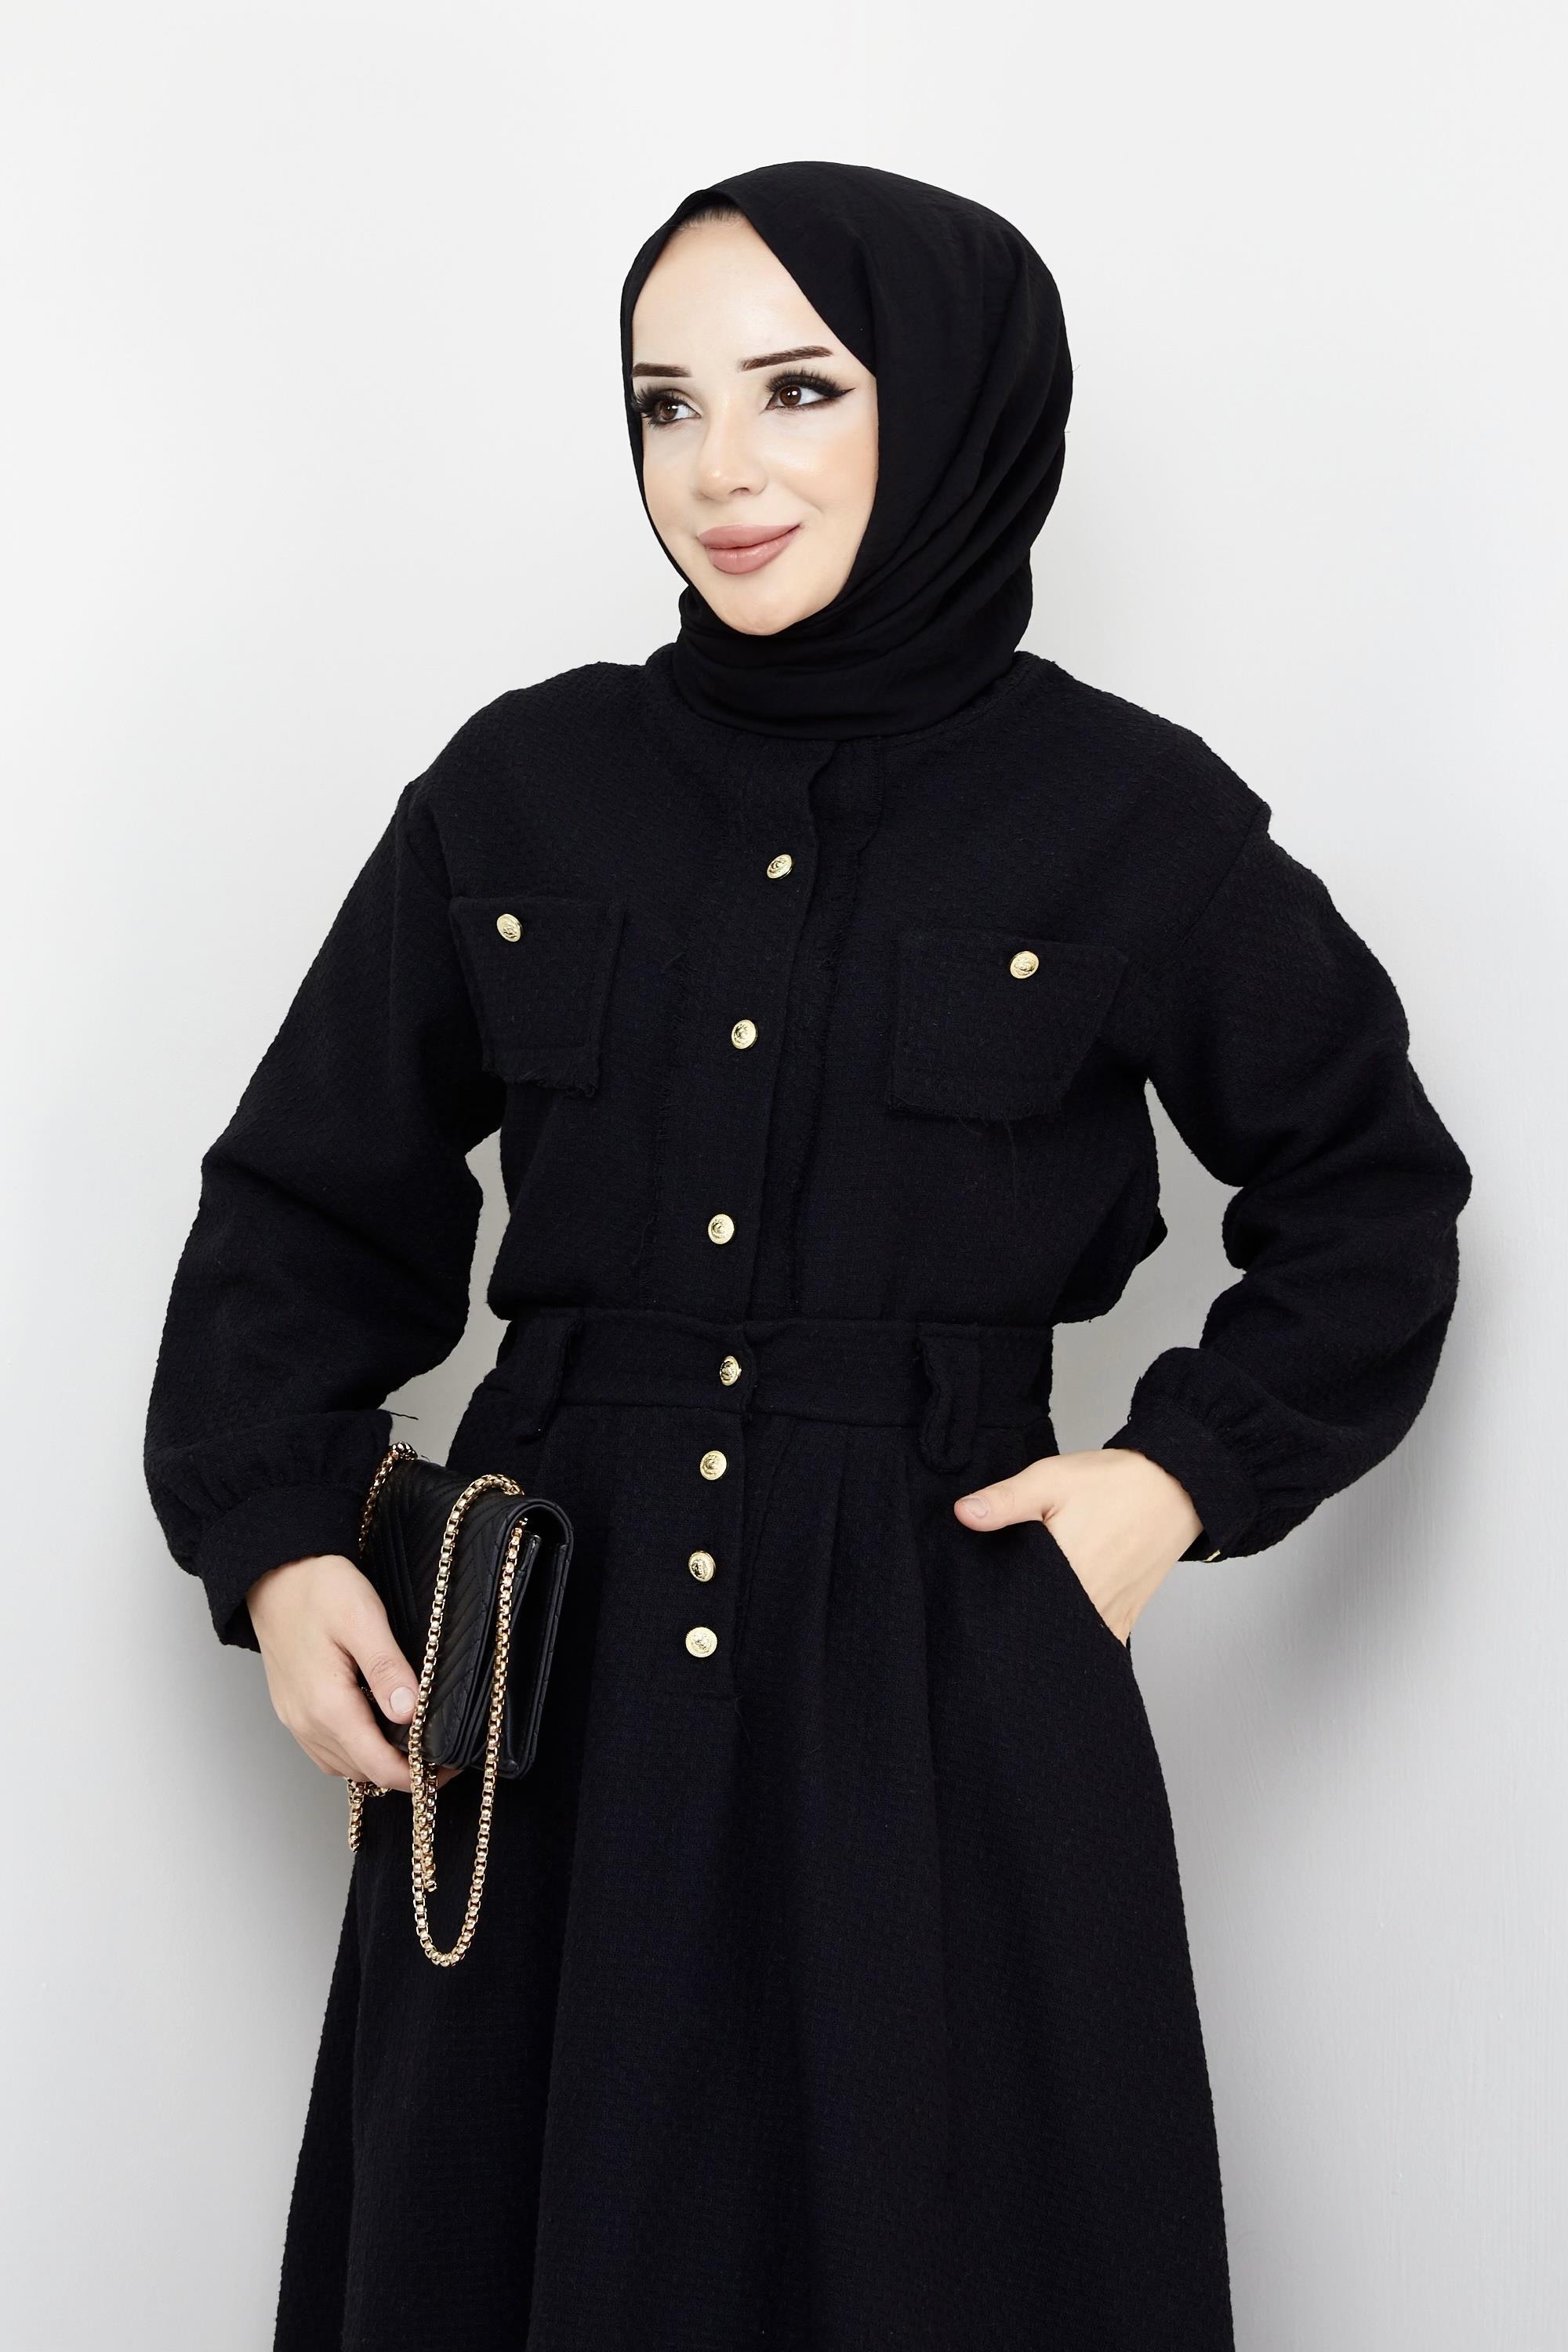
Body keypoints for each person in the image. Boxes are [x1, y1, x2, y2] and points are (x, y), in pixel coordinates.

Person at [143, 160, 1473, 2351]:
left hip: (944, 1654)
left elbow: (1373, 1194)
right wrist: (281, 1544)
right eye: (666, 404)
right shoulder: (519, 786)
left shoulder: (1133, 819)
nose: (719, 469)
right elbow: (304, 1198)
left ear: (947, 404)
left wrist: (1171, 1483)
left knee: (951, 2246)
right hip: (551, 1683)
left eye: (797, 388)